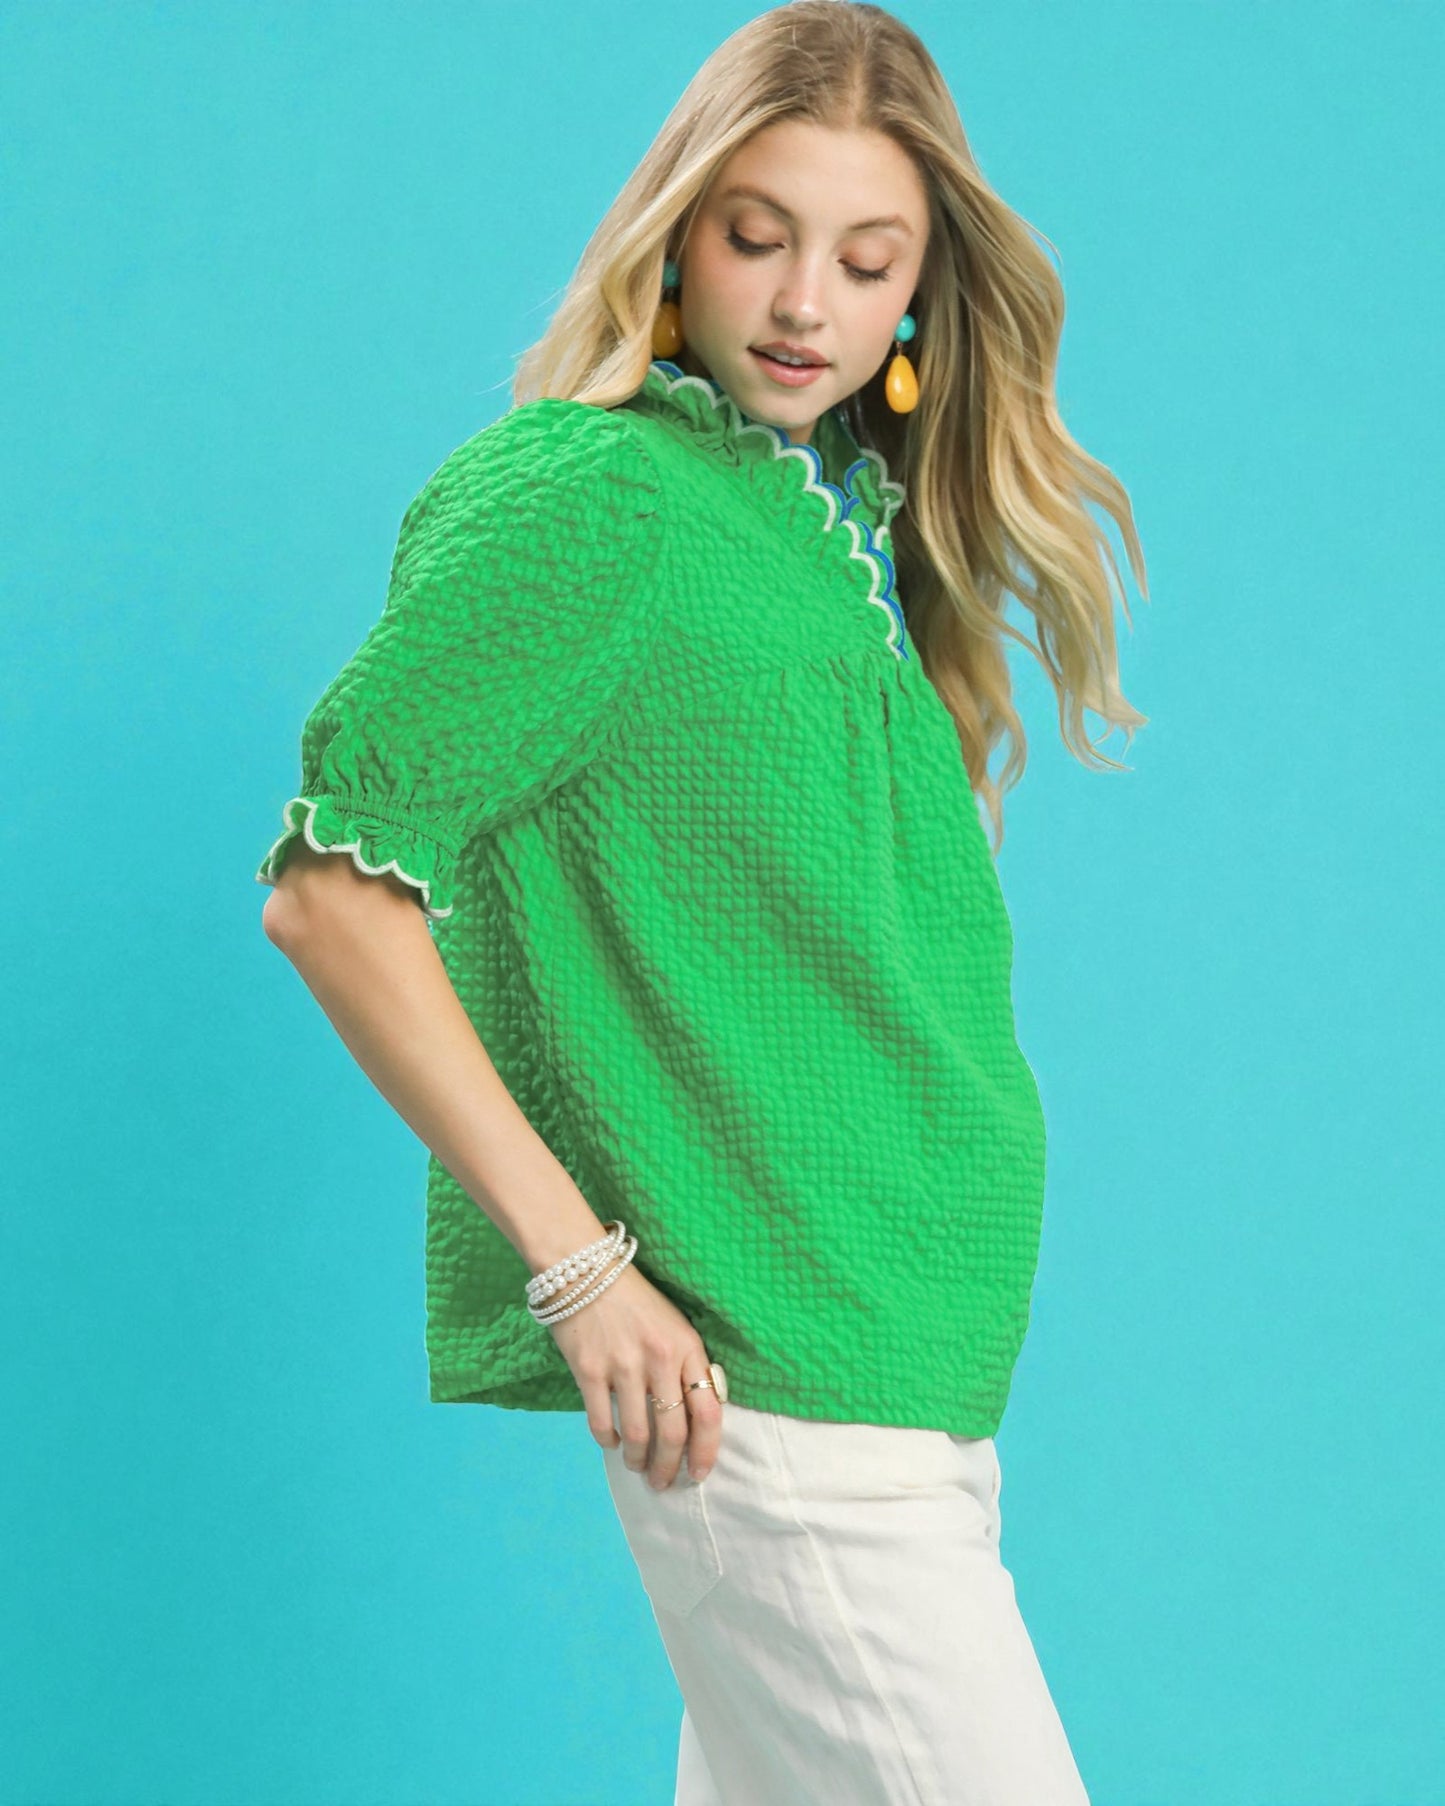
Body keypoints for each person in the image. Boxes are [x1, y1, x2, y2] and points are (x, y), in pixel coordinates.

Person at [255, 3, 1147, 1799]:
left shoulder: (817, 531)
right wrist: (580, 1270)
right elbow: (331, 892)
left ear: (917, 298)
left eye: (864, 258)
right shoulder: (595, 496)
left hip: (908, 1390)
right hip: (779, 1394)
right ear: (675, 234)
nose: (804, 302)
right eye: (757, 237)